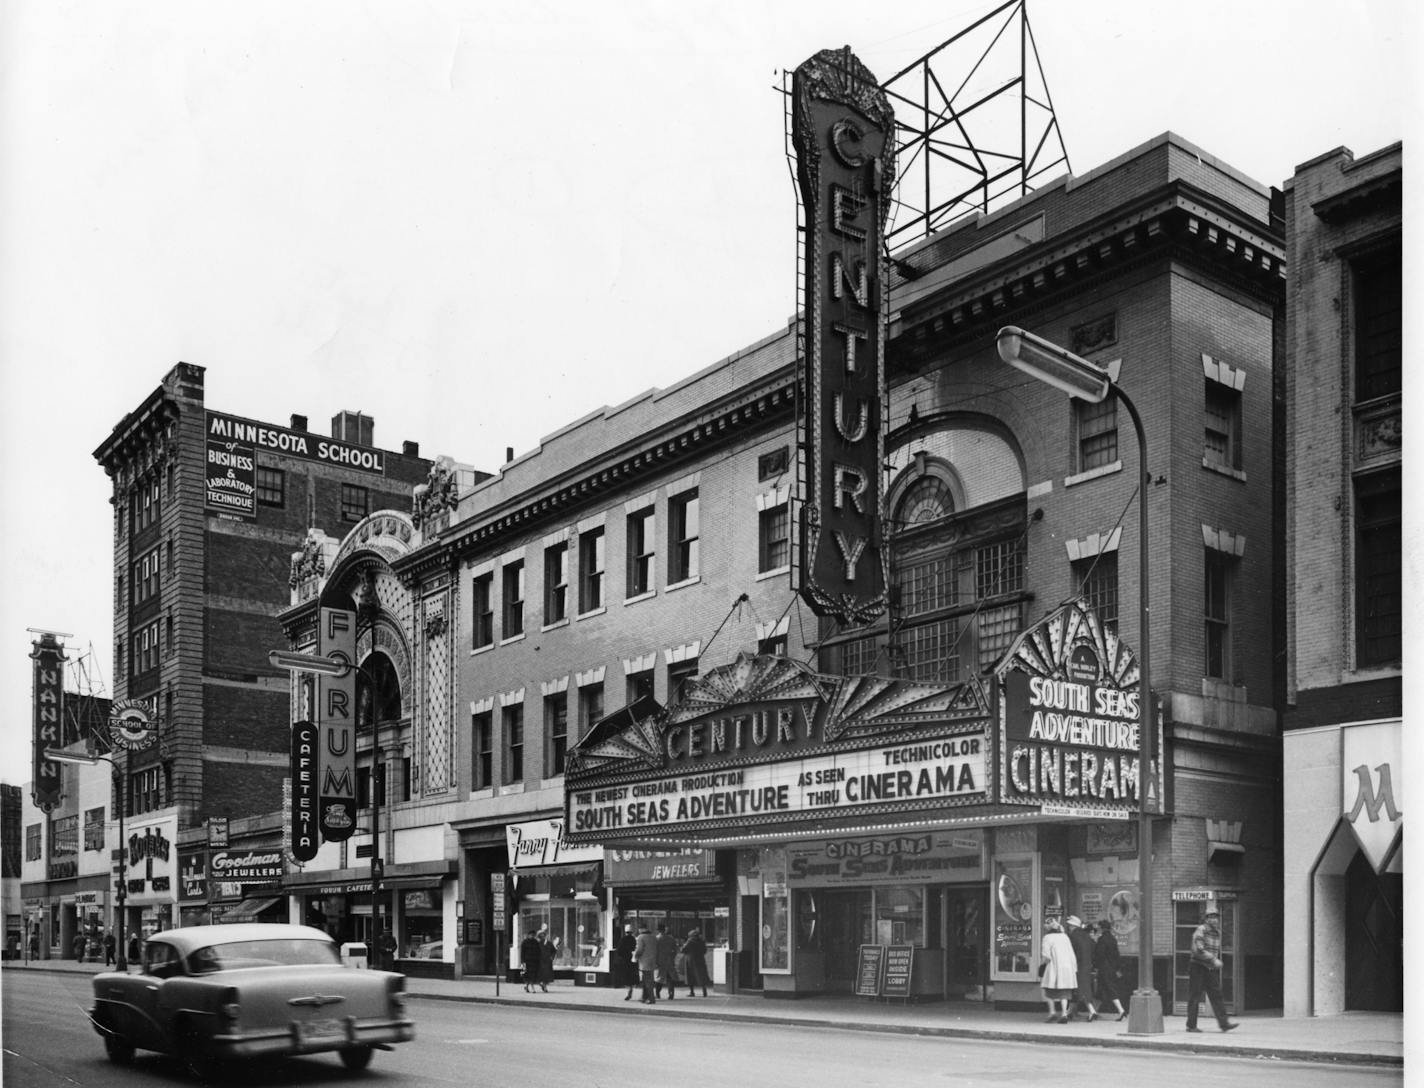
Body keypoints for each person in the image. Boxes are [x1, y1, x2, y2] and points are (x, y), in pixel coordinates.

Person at [1186, 908, 1238, 1033]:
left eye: (1216, 917)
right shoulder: (1201, 930)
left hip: (1209, 968)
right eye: (1211, 917)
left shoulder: (1217, 932)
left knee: (1217, 995)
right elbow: (1198, 950)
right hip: (1197, 966)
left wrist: (1213, 962)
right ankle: (1191, 1026)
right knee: (1195, 996)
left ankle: (1224, 1024)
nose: (1214, 920)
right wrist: (1214, 960)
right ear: (1206, 919)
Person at [1038, 917, 1076, 1024]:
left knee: (1048, 989)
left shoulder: (1047, 938)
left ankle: (1052, 1012)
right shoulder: (1065, 937)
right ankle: (1064, 1014)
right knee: (1064, 992)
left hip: (1054, 966)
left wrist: (1042, 965)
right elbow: (1071, 953)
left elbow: (1046, 956)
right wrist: (1074, 968)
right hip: (1067, 967)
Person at [1090, 922, 1127, 1021]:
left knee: (1109, 989)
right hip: (1112, 968)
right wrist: (1118, 968)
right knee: (1101, 991)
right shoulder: (1113, 939)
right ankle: (1093, 1012)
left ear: (1102, 928)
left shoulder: (1102, 940)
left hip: (1103, 969)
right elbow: (1117, 955)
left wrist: (1095, 966)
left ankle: (1121, 1010)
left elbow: (1099, 955)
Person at [1064, 915, 1098, 1022]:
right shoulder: (1086, 936)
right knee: (1079, 988)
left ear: (1072, 926)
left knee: (1081, 989)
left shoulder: (1072, 936)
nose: (1068, 927)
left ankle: (1092, 1011)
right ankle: (1069, 1012)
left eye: (1069, 925)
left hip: (1077, 965)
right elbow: (1093, 949)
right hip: (1087, 965)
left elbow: (1070, 952)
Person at [681, 928, 710, 997]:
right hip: (700, 960)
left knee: (690, 976)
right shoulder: (702, 941)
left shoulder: (690, 941)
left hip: (691, 961)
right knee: (701, 976)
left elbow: (683, 950)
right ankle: (704, 992)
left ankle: (692, 992)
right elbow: (705, 950)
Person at [634, 923, 658, 1004]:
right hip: (652, 961)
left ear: (641, 929)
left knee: (647, 981)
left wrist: (635, 957)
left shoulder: (641, 937)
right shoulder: (654, 936)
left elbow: (639, 949)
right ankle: (644, 997)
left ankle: (651, 999)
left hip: (644, 961)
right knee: (646, 980)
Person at [654, 923, 678, 1000]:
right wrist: (672, 957)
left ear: (658, 930)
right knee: (670, 977)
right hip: (669, 960)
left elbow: (655, 951)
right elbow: (675, 950)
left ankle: (657, 993)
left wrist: (656, 961)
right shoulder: (671, 938)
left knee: (660, 978)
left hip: (660, 961)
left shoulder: (657, 938)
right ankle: (671, 994)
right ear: (664, 929)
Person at [615, 923, 638, 1001]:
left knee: (625, 977)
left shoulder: (623, 939)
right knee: (631, 977)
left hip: (625, 961)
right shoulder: (634, 939)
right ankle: (630, 989)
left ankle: (628, 991)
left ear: (625, 932)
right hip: (632, 961)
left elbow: (619, 951)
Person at [520, 928, 543, 993]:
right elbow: (522, 953)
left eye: (533, 935)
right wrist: (522, 962)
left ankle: (527, 987)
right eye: (531, 935)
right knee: (527, 975)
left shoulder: (536, 942)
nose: (532, 936)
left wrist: (539, 959)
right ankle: (532, 988)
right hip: (527, 961)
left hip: (534, 961)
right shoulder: (524, 942)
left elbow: (539, 952)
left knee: (532, 975)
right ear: (528, 935)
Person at [537, 927, 555, 992]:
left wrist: (552, 957)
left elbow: (553, 951)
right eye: (540, 936)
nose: (542, 937)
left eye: (543, 935)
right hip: (539, 961)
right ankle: (541, 984)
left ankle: (545, 986)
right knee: (539, 975)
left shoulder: (549, 943)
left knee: (546, 975)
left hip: (547, 961)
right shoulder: (537, 943)